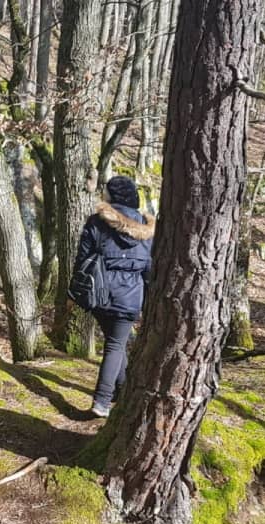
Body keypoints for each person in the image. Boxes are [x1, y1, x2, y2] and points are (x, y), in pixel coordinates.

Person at [74, 176, 154, 418]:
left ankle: (103, 400)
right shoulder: (147, 228)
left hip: (99, 291)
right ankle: (117, 394)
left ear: (112, 195)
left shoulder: (96, 222)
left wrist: (76, 290)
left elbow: (82, 259)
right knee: (115, 343)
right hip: (131, 295)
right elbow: (150, 267)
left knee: (114, 343)